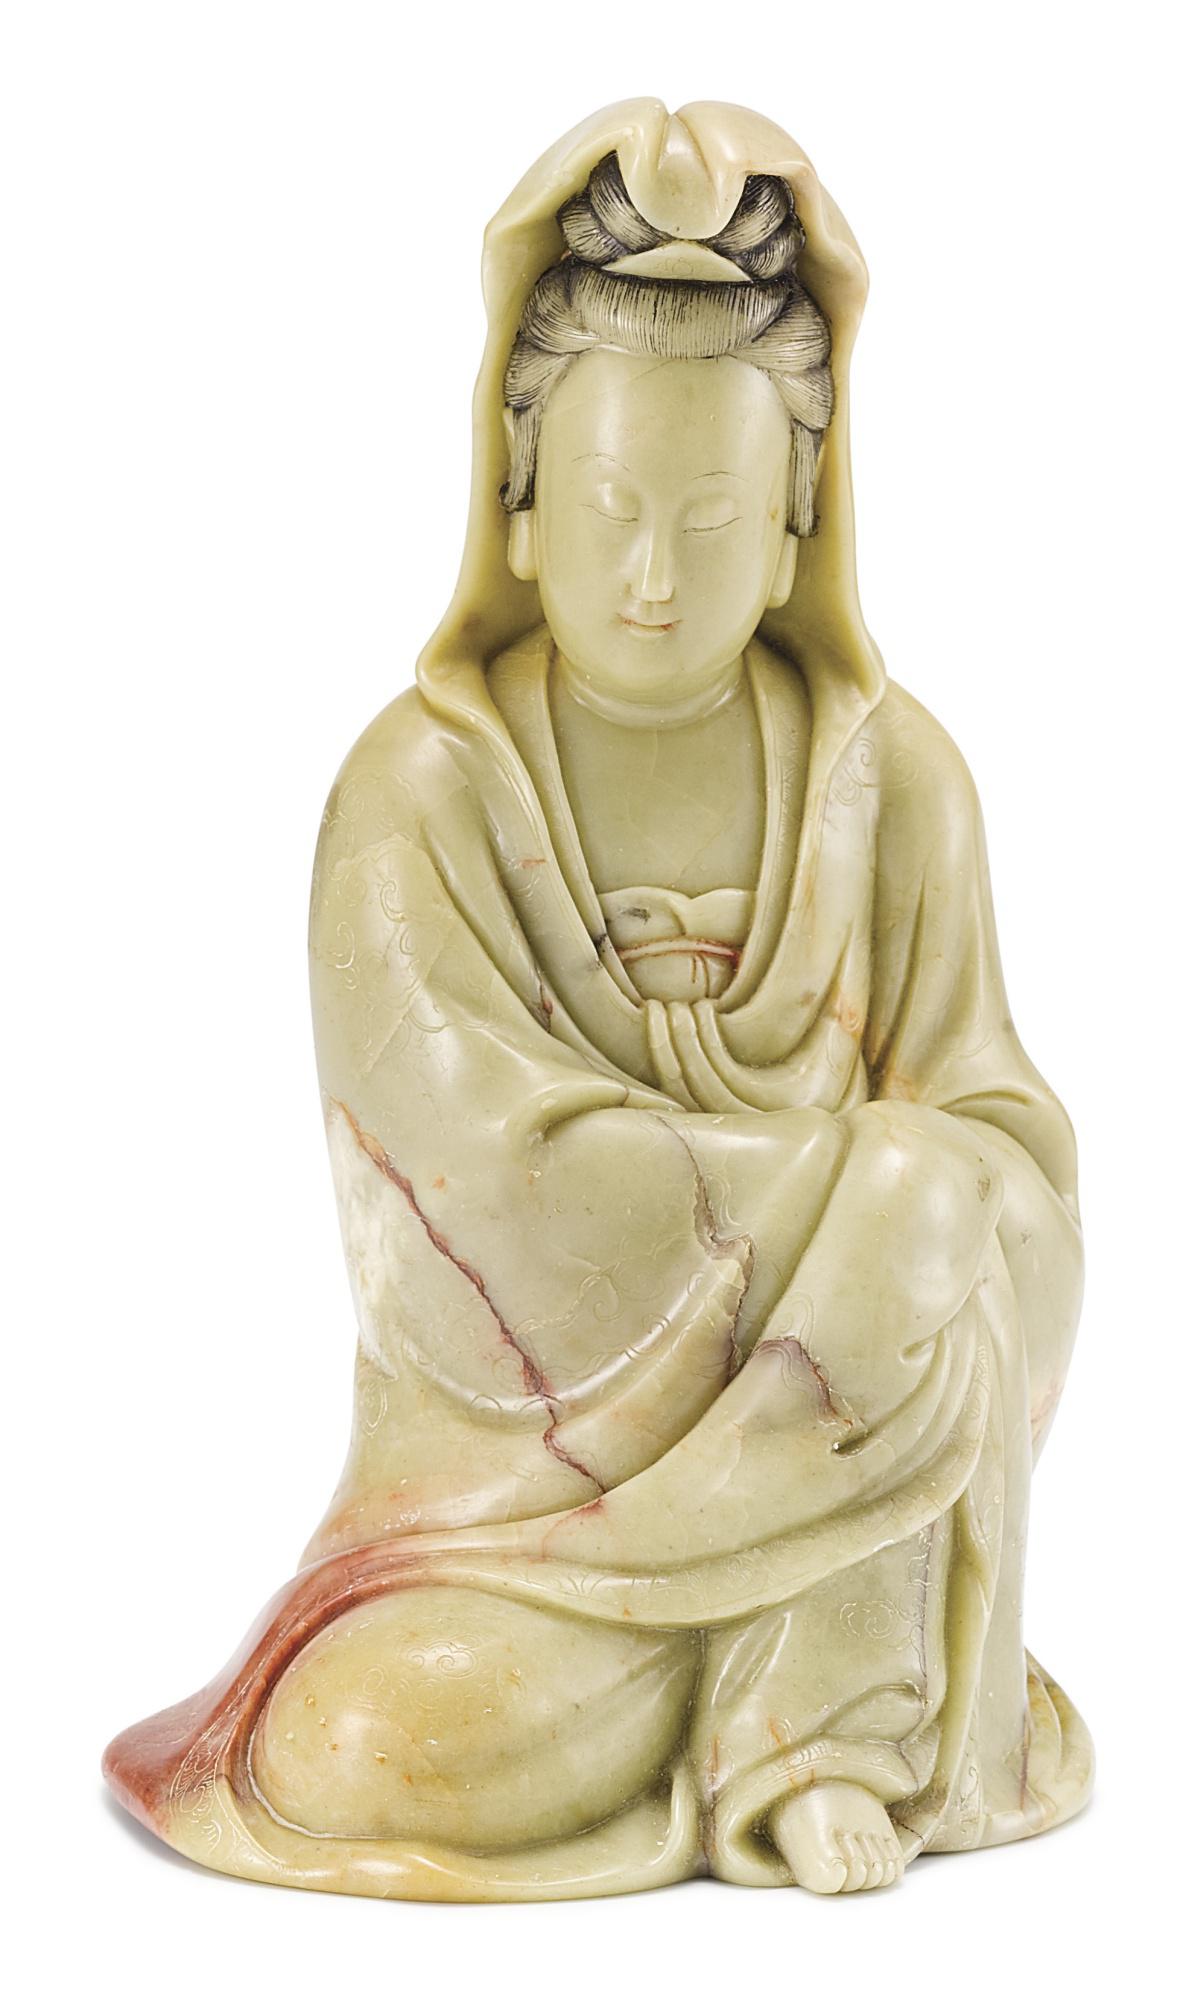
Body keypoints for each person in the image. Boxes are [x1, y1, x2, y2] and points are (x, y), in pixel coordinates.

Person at [104, 99, 1092, 1901]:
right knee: (355, 1746)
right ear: (519, 501)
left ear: (795, 522)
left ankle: (821, 1721)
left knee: (945, 1205)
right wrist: (859, 1198)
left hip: (852, 1483)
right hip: (524, 1520)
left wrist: (919, 1213)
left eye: (711, 520)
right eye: (610, 510)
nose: (652, 577)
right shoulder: (418, 791)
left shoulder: (895, 784)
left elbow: (998, 1134)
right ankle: (773, 1706)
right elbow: (478, 1194)